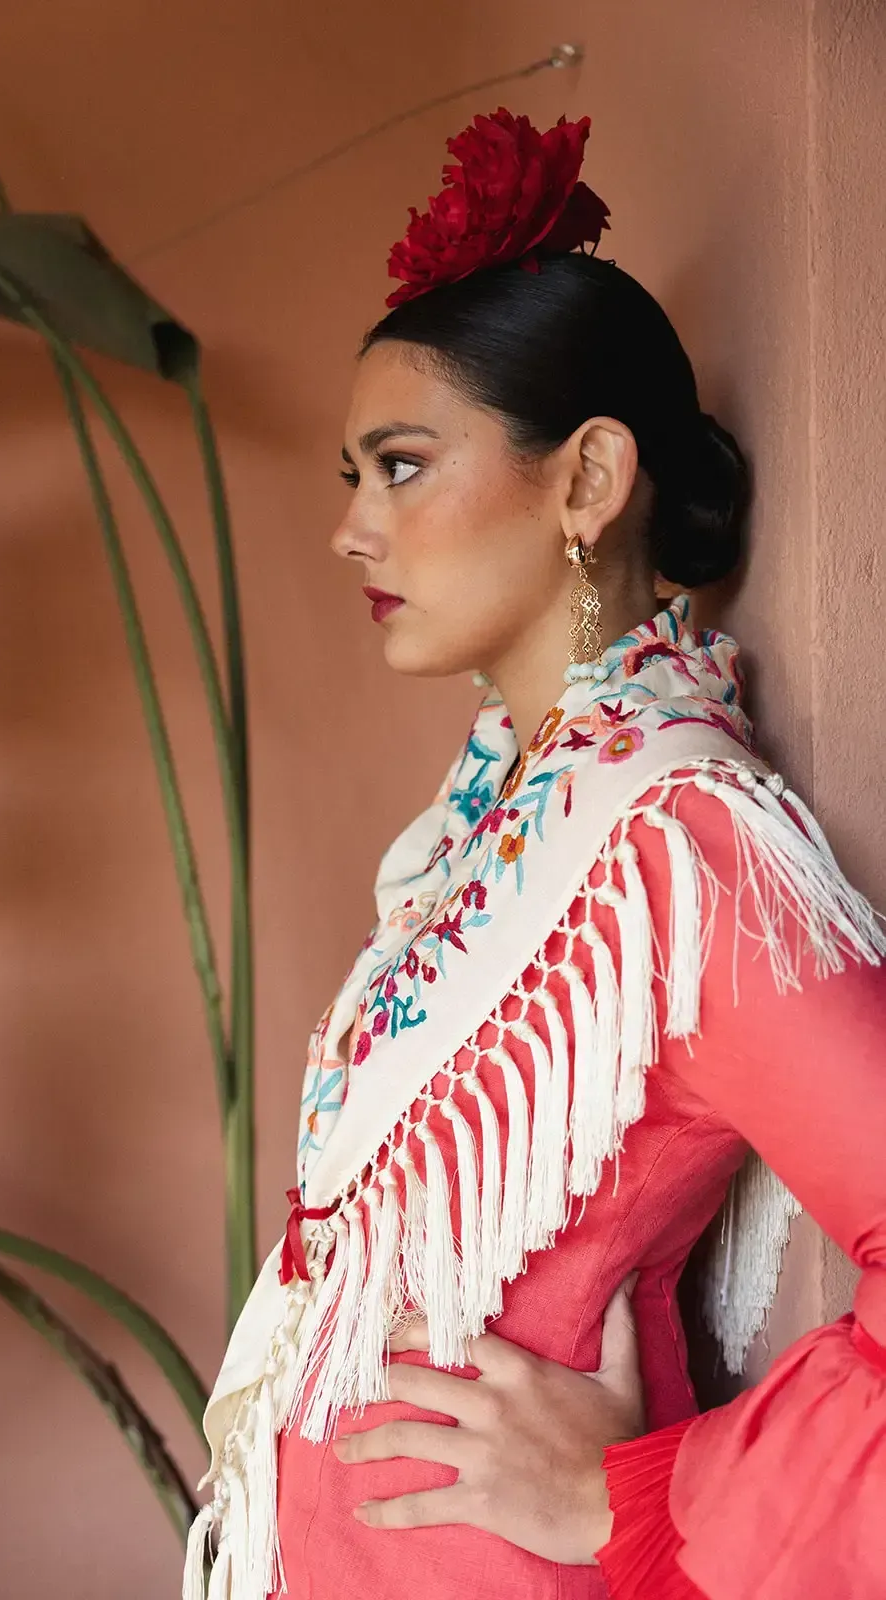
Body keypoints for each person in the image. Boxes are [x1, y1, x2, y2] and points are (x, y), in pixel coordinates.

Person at [184, 109, 886, 1600]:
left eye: (398, 465)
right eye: (348, 477)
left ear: (583, 482)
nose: (351, 534)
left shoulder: (683, 852)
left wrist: (634, 1494)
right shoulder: (480, 832)